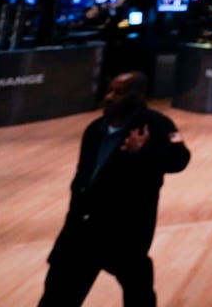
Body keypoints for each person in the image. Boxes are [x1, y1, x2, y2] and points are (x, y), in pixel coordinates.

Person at [39, 71, 190, 307]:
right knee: (57, 297)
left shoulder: (157, 125)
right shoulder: (94, 129)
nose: (109, 97)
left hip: (125, 231)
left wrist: (144, 151)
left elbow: (180, 159)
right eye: (109, 91)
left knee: (138, 294)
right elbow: (83, 178)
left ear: (137, 95)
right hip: (81, 229)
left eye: (119, 93)